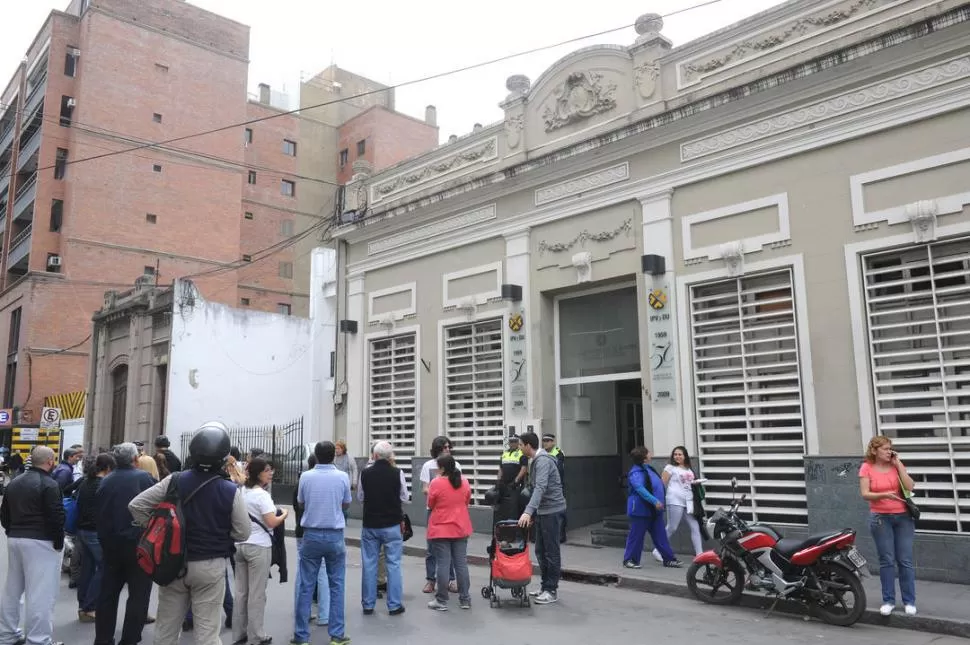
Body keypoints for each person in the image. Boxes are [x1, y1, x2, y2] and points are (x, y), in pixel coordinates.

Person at [130, 422, 251, 645]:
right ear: (223, 458)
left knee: (166, 631)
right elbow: (243, 532)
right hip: (209, 565)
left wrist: (161, 529)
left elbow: (136, 506)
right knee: (207, 635)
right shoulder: (229, 490)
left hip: (173, 562)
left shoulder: (174, 480)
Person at [0, 446, 66, 645]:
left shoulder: (15, 482)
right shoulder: (49, 484)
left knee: (13, 590)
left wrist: (12, 531)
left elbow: (4, 515)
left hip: (16, 538)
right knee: (41, 593)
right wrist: (58, 542)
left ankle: (7, 634)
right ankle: (38, 640)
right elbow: (56, 516)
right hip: (41, 540)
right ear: (50, 461)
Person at [94, 442, 157, 645]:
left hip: (111, 544)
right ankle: (130, 639)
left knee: (108, 595)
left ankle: (103, 639)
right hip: (139, 544)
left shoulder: (105, 481)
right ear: (135, 459)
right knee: (138, 595)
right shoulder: (144, 478)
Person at [293, 441, 351, 645]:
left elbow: (301, 502)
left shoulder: (305, 477)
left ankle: (301, 636)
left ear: (316, 456)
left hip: (311, 535)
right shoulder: (342, 476)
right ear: (333, 456)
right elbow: (346, 503)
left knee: (306, 585)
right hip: (335, 535)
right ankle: (337, 634)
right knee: (337, 584)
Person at [860, 435, 917, 617]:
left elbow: (910, 486)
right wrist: (884, 495)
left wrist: (899, 463)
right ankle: (889, 601)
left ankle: (909, 601)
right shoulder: (866, 467)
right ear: (875, 450)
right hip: (880, 519)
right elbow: (865, 494)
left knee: (905, 561)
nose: (889, 452)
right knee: (887, 561)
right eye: (885, 449)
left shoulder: (895, 465)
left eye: (890, 448)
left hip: (903, 518)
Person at [232, 457, 287, 645]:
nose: (270, 473)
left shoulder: (241, 491)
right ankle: (257, 635)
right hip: (259, 547)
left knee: (241, 592)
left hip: (240, 545)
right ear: (258, 474)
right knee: (257, 594)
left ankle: (239, 633)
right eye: (267, 470)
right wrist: (284, 514)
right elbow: (271, 522)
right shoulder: (261, 495)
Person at [517, 431, 567, 605]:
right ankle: (545, 586)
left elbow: (540, 487)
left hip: (552, 511)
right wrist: (533, 512)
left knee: (551, 551)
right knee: (540, 550)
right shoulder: (536, 460)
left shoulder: (543, 461)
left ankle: (551, 590)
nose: (519, 447)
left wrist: (528, 511)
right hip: (543, 511)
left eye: (521, 444)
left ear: (528, 446)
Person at [358, 440, 405, 616]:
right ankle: (394, 605)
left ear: (375, 455)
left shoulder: (365, 473)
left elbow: (361, 497)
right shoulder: (397, 473)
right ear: (390, 456)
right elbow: (404, 496)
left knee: (369, 564)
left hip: (370, 524)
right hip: (392, 524)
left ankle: (368, 604)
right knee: (393, 564)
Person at [427, 454, 473, 611]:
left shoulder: (436, 483)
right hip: (460, 526)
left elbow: (430, 503)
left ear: (443, 468)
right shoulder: (464, 482)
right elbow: (467, 501)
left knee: (443, 564)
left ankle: (441, 600)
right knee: (461, 564)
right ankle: (465, 599)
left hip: (441, 527)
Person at [624, 446, 682, 570]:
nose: (651, 454)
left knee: (660, 536)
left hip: (654, 511)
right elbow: (640, 489)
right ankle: (630, 560)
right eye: (648, 453)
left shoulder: (648, 468)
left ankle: (669, 559)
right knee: (636, 536)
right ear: (644, 458)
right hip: (641, 510)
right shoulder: (636, 473)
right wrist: (655, 500)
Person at [75, 452, 116, 623]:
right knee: (104, 567)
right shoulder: (103, 484)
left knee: (88, 568)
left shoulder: (86, 482)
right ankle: (89, 607)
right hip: (94, 531)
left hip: (82, 530)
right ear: (107, 468)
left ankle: (83, 604)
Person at [420, 436, 459, 594]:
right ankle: (431, 580)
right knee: (431, 548)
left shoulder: (455, 465)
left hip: (450, 512)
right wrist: (439, 493)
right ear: (437, 449)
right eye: (444, 447)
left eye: (449, 447)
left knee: (448, 547)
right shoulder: (428, 466)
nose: (447, 450)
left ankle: (450, 579)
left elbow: (459, 486)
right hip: (433, 510)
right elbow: (424, 488)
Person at [293, 455, 330, 627]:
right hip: (318, 530)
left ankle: (302, 611)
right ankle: (324, 614)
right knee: (322, 573)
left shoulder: (303, 481)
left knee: (302, 572)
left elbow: (298, 504)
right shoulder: (328, 482)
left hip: (302, 530)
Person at [652, 445, 705, 561]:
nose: (677, 456)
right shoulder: (670, 467)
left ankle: (700, 555)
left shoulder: (688, 468)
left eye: (680, 454)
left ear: (685, 456)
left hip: (689, 501)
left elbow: (689, 483)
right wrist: (659, 499)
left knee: (695, 526)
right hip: (675, 500)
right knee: (672, 527)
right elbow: (662, 484)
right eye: (675, 454)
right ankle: (657, 550)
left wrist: (695, 483)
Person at [541, 434, 567, 543]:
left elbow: (559, 471)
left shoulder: (558, 453)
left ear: (553, 442)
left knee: (559, 511)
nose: (545, 443)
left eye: (548, 441)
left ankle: (561, 536)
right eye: (544, 441)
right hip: (545, 486)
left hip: (556, 486)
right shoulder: (542, 453)